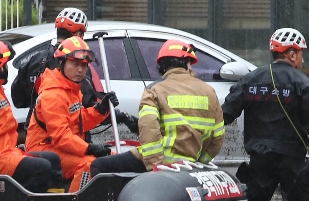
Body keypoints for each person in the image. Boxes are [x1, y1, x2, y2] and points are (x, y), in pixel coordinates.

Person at [221, 28, 309, 201]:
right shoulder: (301, 82)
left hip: (260, 161)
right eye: (301, 54)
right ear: (292, 54)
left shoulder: (252, 79)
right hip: (293, 163)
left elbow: (224, 114)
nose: (302, 60)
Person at [90, 38, 224, 176]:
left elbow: (149, 130)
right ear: (187, 63)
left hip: (160, 162)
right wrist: (199, 162)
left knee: (98, 165)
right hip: (191, 162)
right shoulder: (209, 92)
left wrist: (156, 166)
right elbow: (218, 137)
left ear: (162, 65)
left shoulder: (154, 90)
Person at [11, 8, 138, 138]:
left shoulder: (35, 59)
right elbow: (88, 106)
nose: (80, 68)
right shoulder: (75, 65)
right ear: (78, 35)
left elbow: (18, 100)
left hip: (34, 134)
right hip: (66, 138)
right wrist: (118, 115)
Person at [0, 38, 63, 192]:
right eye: (6, 64)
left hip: (5, 153)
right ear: (0, 68)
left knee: (52, 159)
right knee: (42, 167)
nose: (7, 67)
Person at [26, 37, 118, 192]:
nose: (80, 70)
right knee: (89, 165)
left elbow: (77, 121)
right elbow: (61, 136)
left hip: (61, 146)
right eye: (75, 64)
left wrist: (101, 110)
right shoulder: (53, 94)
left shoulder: (71, 88)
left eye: (84, 65)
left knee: (113, 158)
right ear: (61, 63)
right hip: (44, 148)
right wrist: (89, 148)